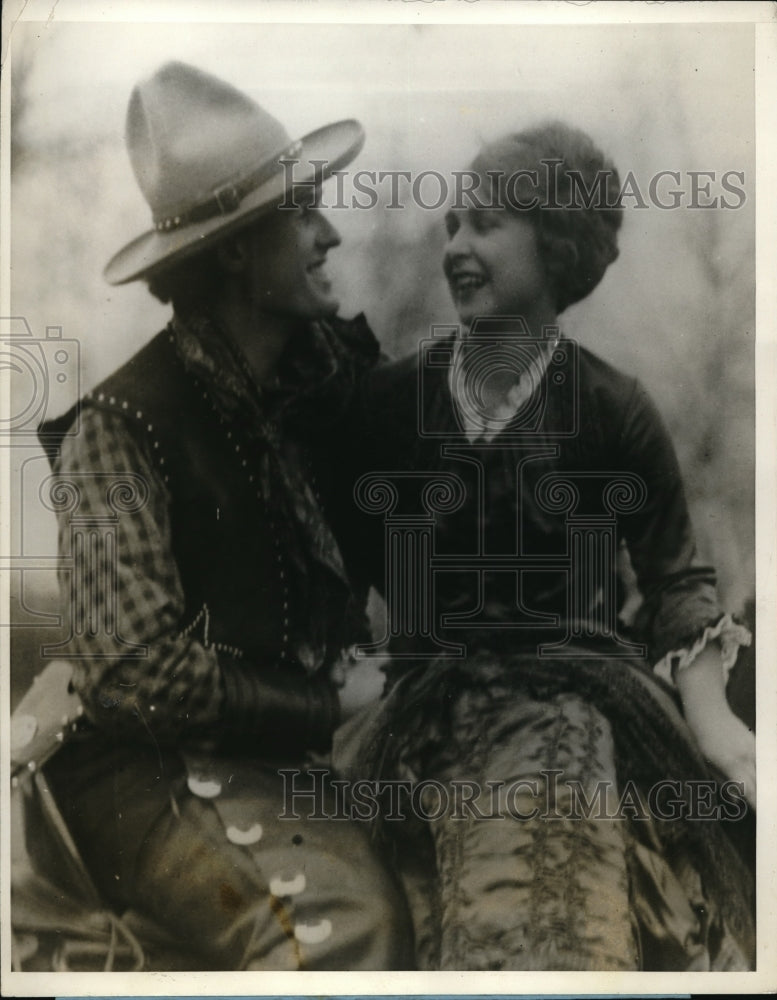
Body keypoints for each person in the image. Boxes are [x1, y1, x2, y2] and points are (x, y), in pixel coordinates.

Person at [11, 61, 412, 971]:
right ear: (236, 250)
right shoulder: (119, 430)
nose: (330, 234)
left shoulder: (318, 396)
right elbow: (136, 674)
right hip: (149, 778)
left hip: (280, 756)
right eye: (303, 214)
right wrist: (326, 703)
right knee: (349, 931)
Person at [336, 121, 756, 971]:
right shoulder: (388, 404)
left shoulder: (612, 407)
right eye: (451, 225)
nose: (456, 246)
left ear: (557, 245)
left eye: (484, 225)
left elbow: (675, 579)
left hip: (586, 694)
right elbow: (338, 568)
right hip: (422, 700)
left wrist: (715, 723)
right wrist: (348, 667)